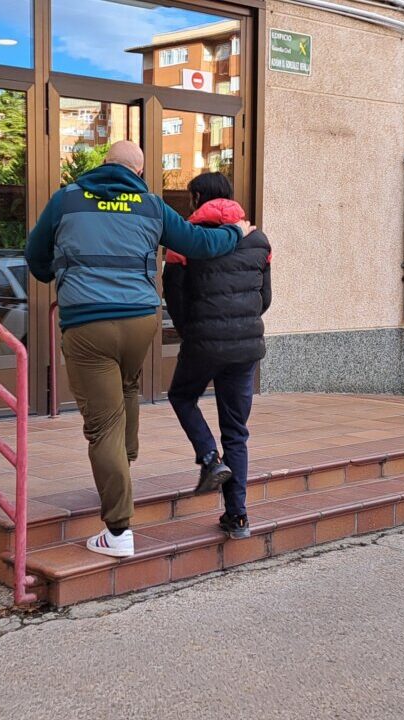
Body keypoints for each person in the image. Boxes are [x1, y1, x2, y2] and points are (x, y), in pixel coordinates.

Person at [25, 141, 252, 558]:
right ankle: (123, 463)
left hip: (88, 323)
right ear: (138, 171)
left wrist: (57, 270)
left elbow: (35, 259)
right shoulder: (150, 205)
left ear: (104, 163)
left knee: (102, 426)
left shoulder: (66, 200)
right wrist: (235, 230)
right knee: (127, 388)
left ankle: (117, 532)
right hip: (140, 321)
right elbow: (199, 243)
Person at [163, 172, 271, 540]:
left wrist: (192, 331)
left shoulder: (185, 242)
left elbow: (174, 300)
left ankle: (209, 457)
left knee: (181, 396)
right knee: (236, 432)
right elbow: (265, 299)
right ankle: (237, 517)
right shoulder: (258, 239)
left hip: (203, 343)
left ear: (196, 197)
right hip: (246, 348)